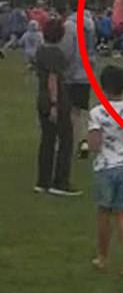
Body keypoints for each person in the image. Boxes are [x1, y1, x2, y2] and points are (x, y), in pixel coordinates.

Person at [88, 65, 123, 276]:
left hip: (105, 166)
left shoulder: (98, 112)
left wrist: (86, 149)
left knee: (104, 212)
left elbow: (94, 144)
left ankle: (102, 257)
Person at [34, 18, 81, 196]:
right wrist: (54, 104)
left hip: (42, 99)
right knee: (66, 140)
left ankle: (43, 181)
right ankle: (60, 181)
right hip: (56, 99)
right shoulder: (56, 54)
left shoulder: (41, 51)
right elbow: (53, 79)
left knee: (47, 140)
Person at [60, 5, 97, 159]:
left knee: (68, 111)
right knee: (81, 110)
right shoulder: (90, 23)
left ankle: (69, 144)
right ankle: (84, 142)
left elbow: (67, 50)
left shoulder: (69, 26)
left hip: (72, 73)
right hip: (86, 71)